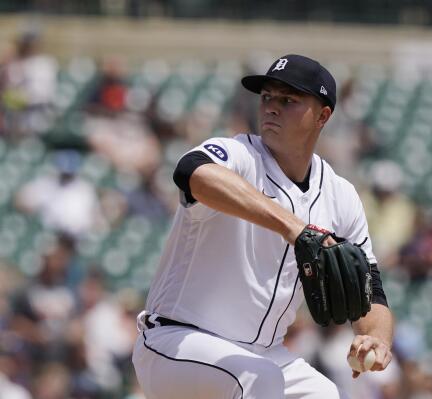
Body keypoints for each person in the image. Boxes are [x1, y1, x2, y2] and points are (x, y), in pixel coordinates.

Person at [132, 54, 393, 398]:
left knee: (322, 393)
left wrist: (376, 337)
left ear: (323, 115)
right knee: (258, 380)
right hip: (177, 343)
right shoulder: (239, 155)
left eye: (288, 100)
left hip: (262, 354)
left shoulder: (339, 195)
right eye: (267, 97)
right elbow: (191, 171)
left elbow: (368, 286)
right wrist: (293, 227)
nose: (271, 107)